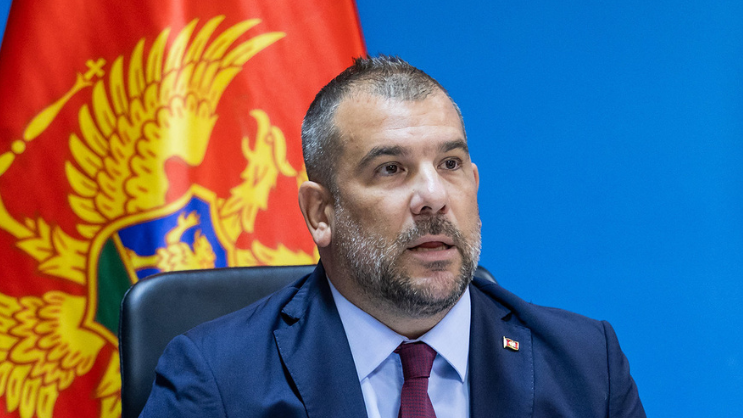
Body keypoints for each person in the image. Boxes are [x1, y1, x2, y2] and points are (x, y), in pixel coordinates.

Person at [139, 55, 646, 417]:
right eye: (390, 169)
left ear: (474, 183)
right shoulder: (217, 380)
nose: (433, 196)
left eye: (450, 164)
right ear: (320, 212)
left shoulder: (585, 367)